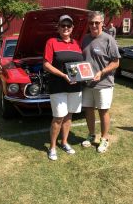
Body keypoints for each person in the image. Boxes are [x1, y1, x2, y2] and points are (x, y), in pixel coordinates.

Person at [43, 15, 84, 161]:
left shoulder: (77, 44)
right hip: (58, 85)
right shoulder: (52, 42)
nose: (66, 28)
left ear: (72, 28)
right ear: (58, 28)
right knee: (59, 117)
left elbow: (81, 66)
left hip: (75, 87)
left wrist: (84, 75)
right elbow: (46, 64)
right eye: (63, 25)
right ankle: (52, 147)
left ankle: (64, 142)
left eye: (68, 26)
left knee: (69, 116)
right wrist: (63, 75)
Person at [81, 11, 121, 153]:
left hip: (103, 83)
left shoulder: (108, 39)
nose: (93, 25)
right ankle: (92, 135)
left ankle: (104, 139)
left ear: (102, 23)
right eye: (91, 23)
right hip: (87, 83)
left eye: (97, 22)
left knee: (103, 111)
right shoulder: (84, 39)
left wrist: (101, 72)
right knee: (88, 110)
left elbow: (116, 62)